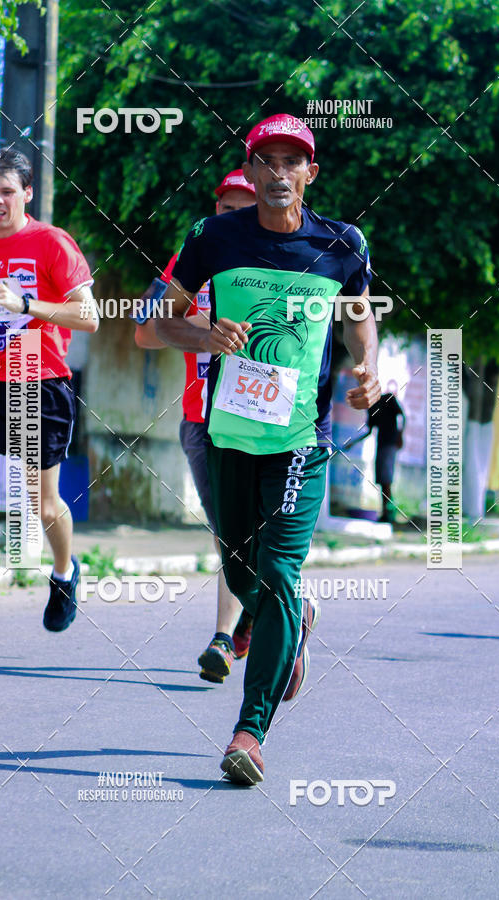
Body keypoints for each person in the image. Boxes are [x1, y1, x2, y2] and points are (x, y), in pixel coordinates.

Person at [156, 114, 381, 784]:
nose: (280, 174)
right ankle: (293, 623)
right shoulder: (212, 238)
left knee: (277, 571)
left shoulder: (343, 244)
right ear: (249, 174)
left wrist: (367, 368)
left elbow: (360, 320)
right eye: (268, 162)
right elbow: (163, 322)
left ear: (311, 173)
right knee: (237, 569)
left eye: (294, 162)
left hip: (299, 439)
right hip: (228, 433)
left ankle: (248, 733)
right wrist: (205, 334)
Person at [0, 148, 98, 654]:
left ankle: (64, 570)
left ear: (27, 192)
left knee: (42, 503)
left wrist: (28, 304)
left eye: (7, 191)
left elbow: (89, 317)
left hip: (38, 376)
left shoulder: (52, 243)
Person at [135, 170, 256, 683]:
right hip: (199, 420)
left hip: (262, 422)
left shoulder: (282, 261)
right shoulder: (191, 263)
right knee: (228, 532)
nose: (234, 218)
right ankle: (255, 617)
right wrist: (204, 329)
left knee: (248, 532)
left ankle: (227, 636)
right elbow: (144, 332)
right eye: (226, 209)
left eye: (244, 209)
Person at [367, 382, 406, 523]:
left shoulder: (388, 399)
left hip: (390, 444)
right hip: (381, 445)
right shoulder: (371, 407)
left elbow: (402, 416)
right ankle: (385, 511)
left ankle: (389, 512)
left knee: (386, 479)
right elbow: (370, 430)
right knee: (382, 480)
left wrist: (400, 435)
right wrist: (351, 443)